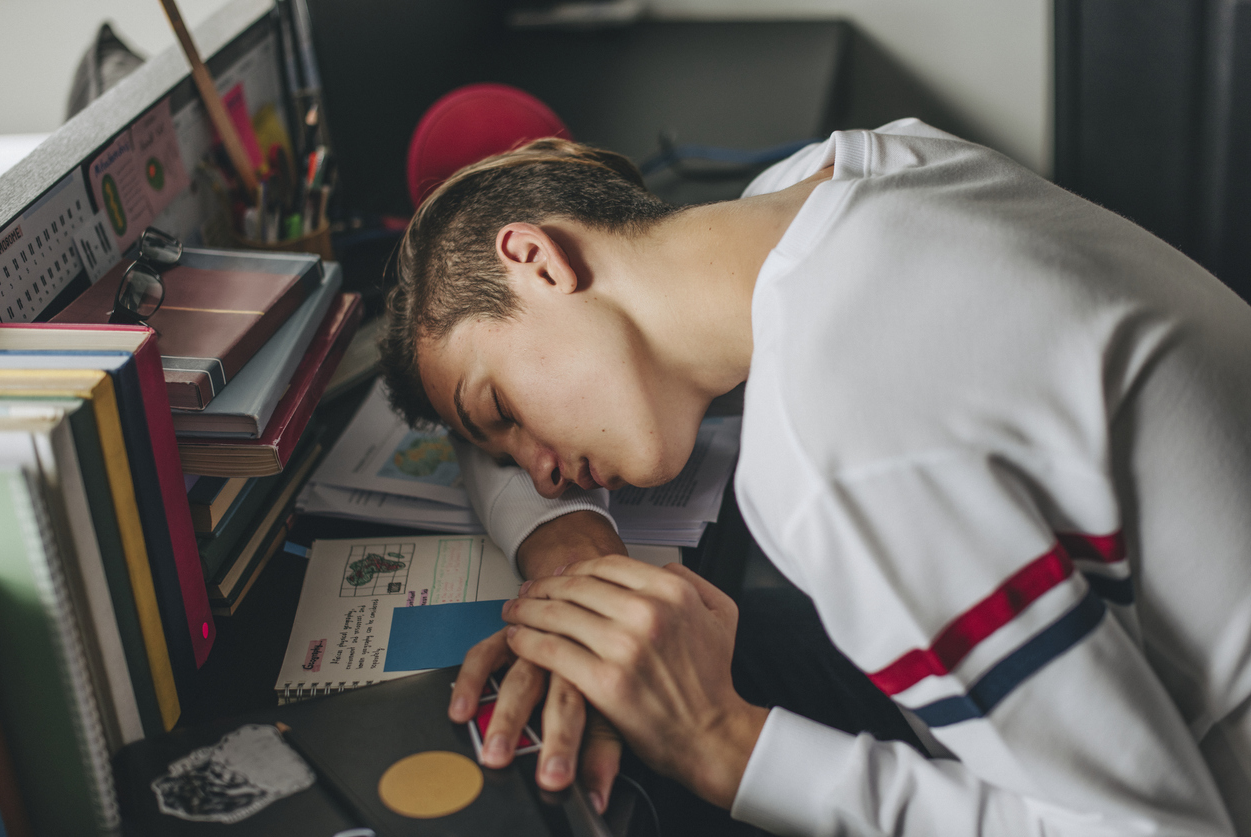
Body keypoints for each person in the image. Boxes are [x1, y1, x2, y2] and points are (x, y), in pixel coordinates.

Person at [378, 120, 1251, 835]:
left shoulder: (838, 441)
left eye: (503, 411)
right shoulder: (862, 170)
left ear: (536, 258)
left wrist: (725, 744)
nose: (539, 466)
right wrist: (566, 547)